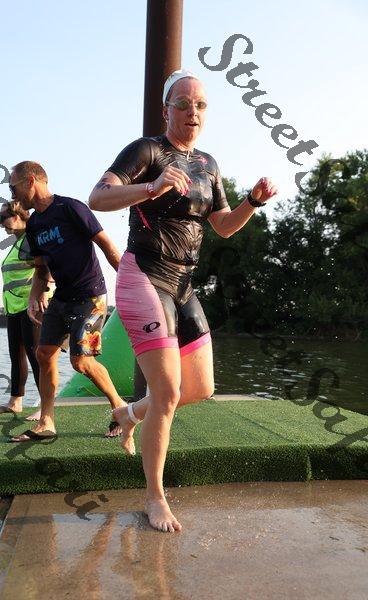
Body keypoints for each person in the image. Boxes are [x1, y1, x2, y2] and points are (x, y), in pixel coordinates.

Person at [88, 69, 278, 532]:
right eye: (183, 103)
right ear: (166, 109)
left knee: (200, 389)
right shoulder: (147, 151)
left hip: (184, 284)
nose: (193, 112)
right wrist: (151, 187)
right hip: (144, 275)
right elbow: (98, 196)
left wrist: (252, 202)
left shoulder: (208, 165)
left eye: (200, 105)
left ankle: (128, 413)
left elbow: (223, 225)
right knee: (168, 392)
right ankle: (154, 496)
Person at [8, 161, 126, 442]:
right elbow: (41, 269)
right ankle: (47, 422)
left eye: (14, 187)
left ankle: (120, 407)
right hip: (62, 297)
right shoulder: (34, 224)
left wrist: (131, 284)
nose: (13, 195)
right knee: (44, 353)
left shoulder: (71, 208)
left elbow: (106, 245)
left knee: (80, 362)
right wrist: (35, 296)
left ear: (31, 181)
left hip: (91, 295)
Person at [0, 201, 41, 420]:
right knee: (16, 354)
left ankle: (46, 406)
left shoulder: (31, 239)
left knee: (37, 356)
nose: (1, 223)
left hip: (31, 307)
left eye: (4, 218)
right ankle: (15, 401)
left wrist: (40, 296)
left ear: (19, 215)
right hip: (14, 308)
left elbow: (46, 268)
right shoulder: (18, 242)